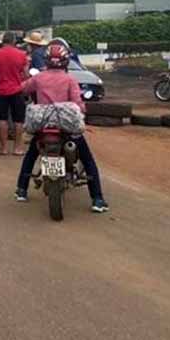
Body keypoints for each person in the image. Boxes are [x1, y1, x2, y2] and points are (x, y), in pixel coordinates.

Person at [15, 42, 109, 213]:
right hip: (66, 127)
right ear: (66, 61)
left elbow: (23, 89)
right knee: (87, 160)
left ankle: (21, 190)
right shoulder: (69, 79)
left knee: (31, 155)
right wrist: (82, 112)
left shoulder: (39, 77)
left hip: (43, 125)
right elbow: (78, 103)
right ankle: (97, 199)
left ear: (47, 60)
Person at [0, 32, 28, 155]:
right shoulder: (22, 55)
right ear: (14, 41)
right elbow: (26, 75)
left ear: (3, 41)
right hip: (17, 91)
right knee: (18, 120)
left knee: (2, 119)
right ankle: (17, 148)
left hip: (1, 91)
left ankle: (4, 148)